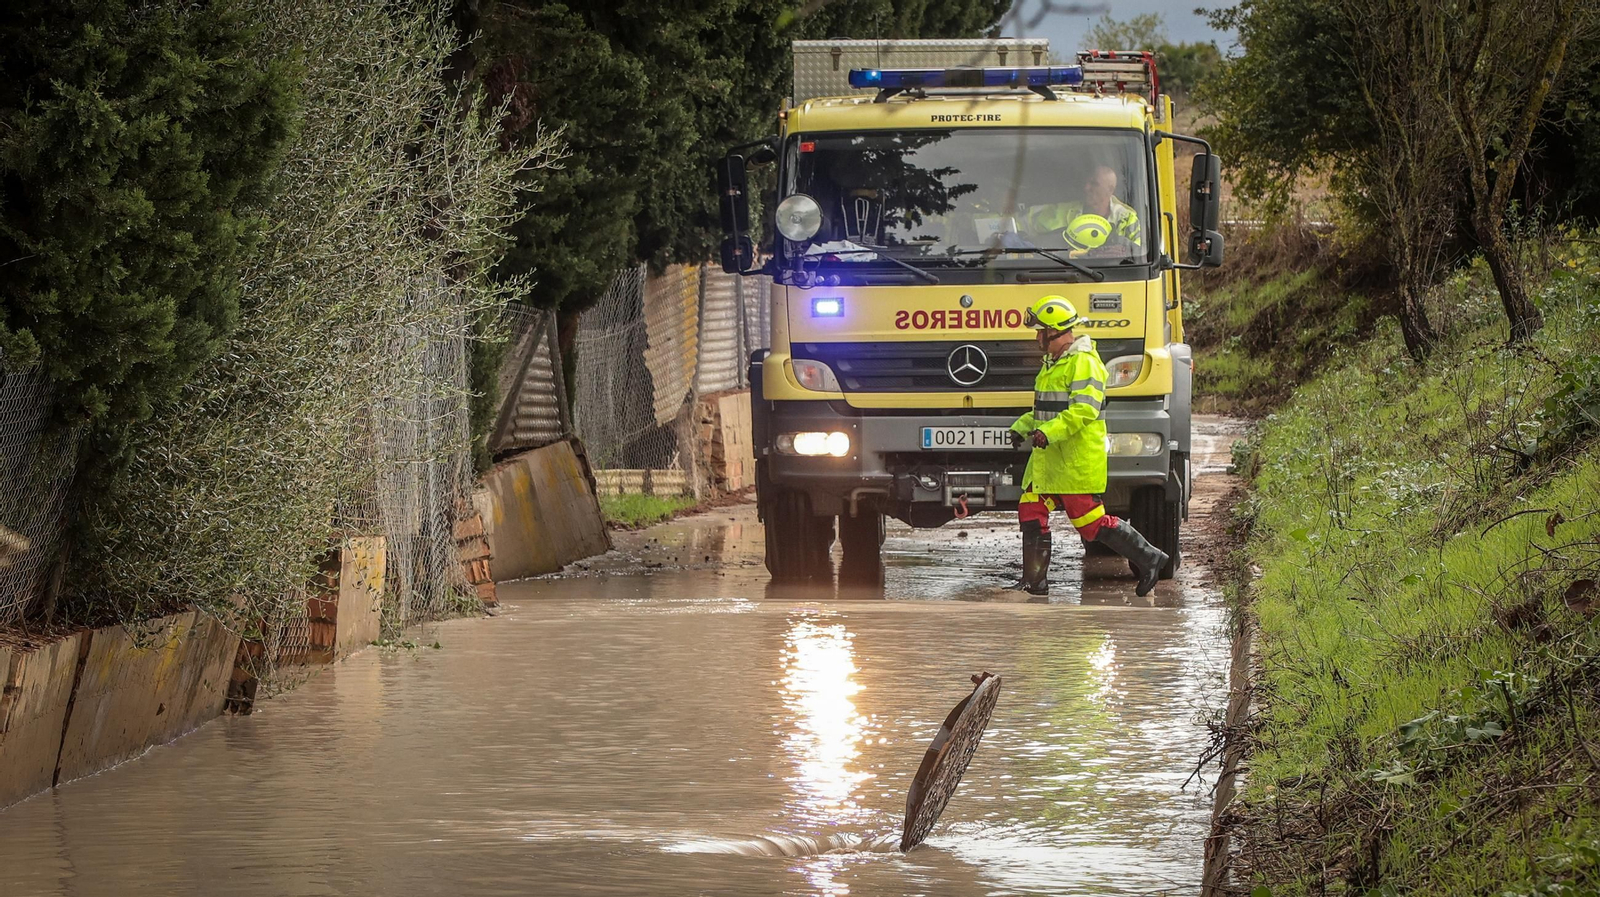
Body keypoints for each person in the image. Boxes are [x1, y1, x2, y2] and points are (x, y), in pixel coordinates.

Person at [1006, 295, 1169, 597]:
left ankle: (1150, 558)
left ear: (1056, 332)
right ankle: (1035, 582)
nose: (1037, 337)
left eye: (1041, 331)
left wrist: (1048, 433)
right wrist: (1022, 428)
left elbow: (1083, 410)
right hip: (1051, 461)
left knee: (1090, 523)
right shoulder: (1053, 363)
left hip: (1074, 461)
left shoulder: (1085, 364)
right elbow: (1044, 410)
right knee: (1031, 508)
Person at [1023, 165, 1142, 253]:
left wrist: (1123, 249)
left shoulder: (1126, 219)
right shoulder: (1064, 212)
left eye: (1094, 184)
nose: (1086, 188)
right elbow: (1022, 221)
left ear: (1110, 190)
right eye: (1086, 182)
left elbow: (1138, 254)